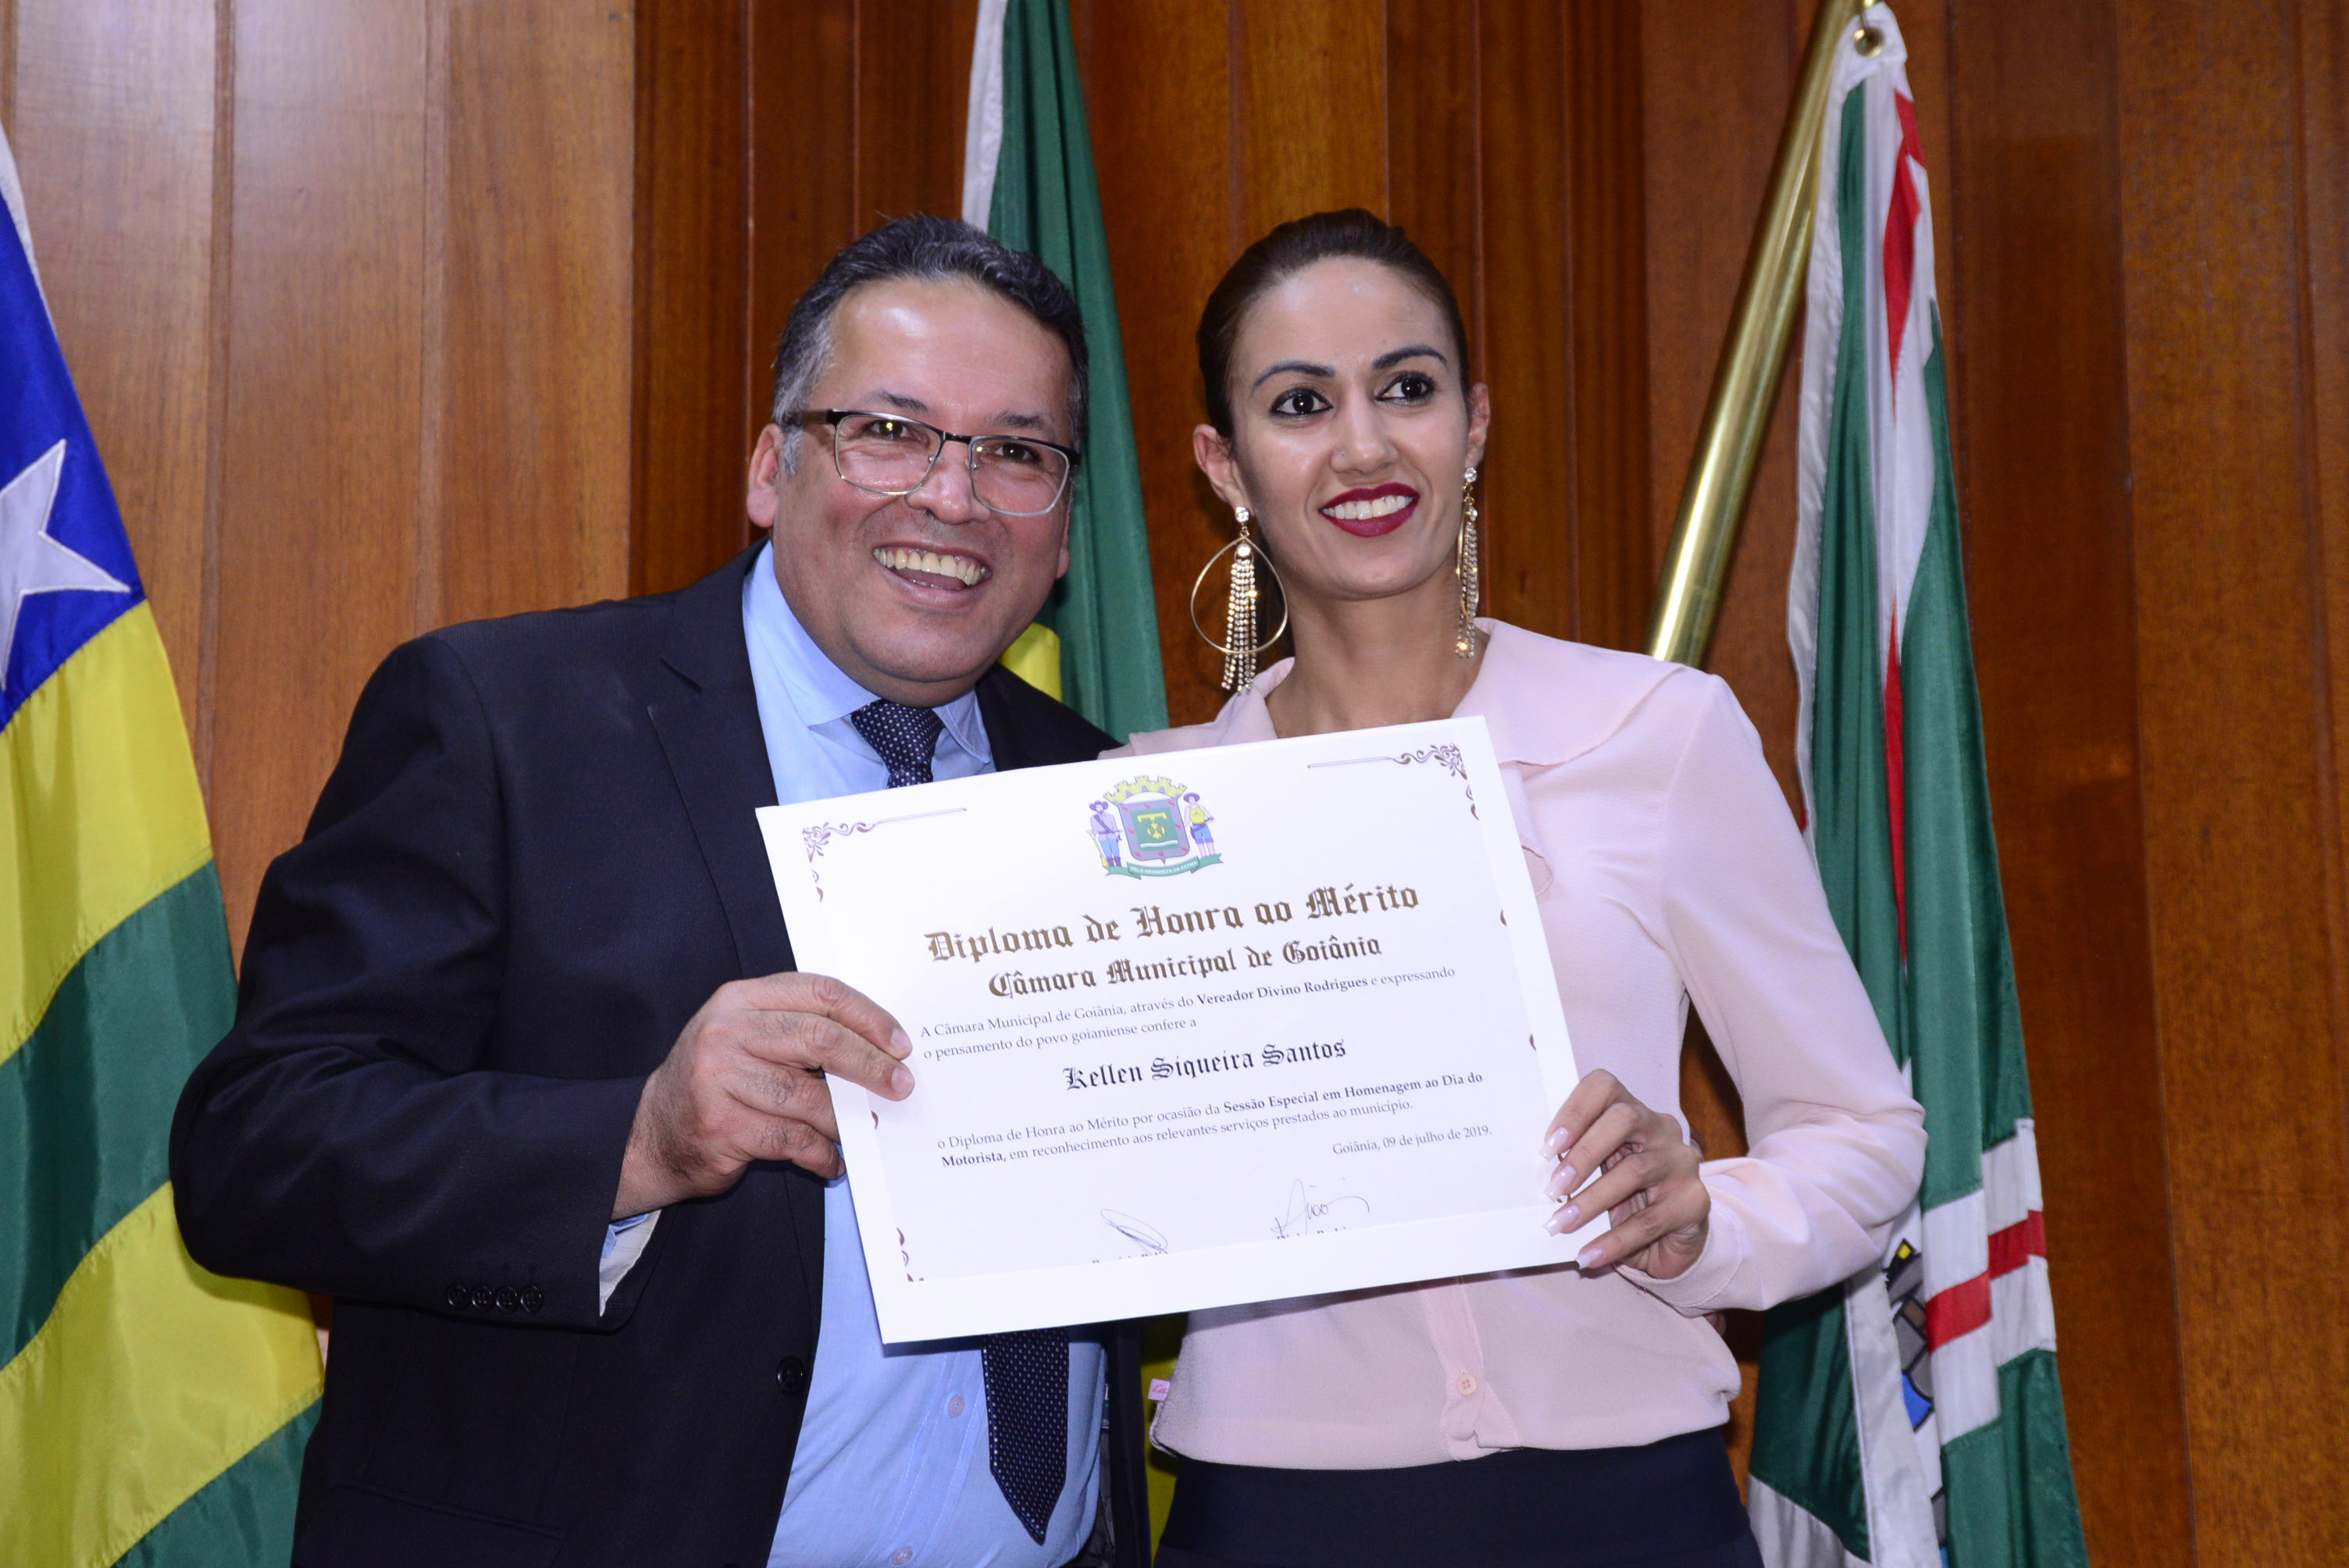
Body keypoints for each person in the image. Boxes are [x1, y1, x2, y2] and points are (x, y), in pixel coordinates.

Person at [171, 216, 1151, 1568]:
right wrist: (635, 1141)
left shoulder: (1102, 792)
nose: (953, 495)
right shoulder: (502, 720)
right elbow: (254, 1154)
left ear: (1062, 527)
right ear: (770, 467)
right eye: (889, 431)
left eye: (1017, 453)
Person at [1114, 210, 1927, 1568]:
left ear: (1474, 424)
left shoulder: (1659, 733)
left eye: (1407, 388)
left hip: (1626, 1511)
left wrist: (1704, 1221)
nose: (1363, 445)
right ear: (1225, 464)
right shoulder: (1138, 814)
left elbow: (1862, 1131)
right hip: (1268, 1518)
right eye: (1301, 403)